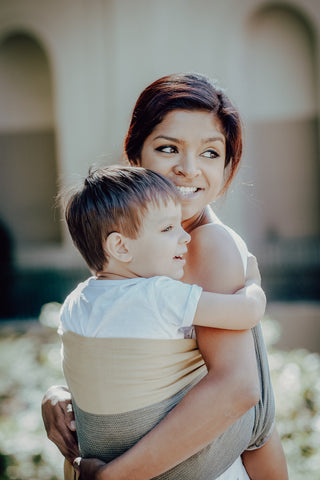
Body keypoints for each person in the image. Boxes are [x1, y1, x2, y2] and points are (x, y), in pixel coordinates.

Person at [42, 73, 288, 480]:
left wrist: (112, 476)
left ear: (227, 166)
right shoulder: (138, 244)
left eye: (211, 153)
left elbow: (237, 388)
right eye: (169, 148)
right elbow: (135, 359)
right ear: (135, 156)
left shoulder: (208, 245)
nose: (188, 170)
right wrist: (61, 397)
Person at [59, 165, 265, 480]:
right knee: (261, 414)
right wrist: (252, 281)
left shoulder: (74, 303)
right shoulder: (158, 294)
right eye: (168, 228)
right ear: (121, 247)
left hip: (98, 455)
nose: (186, 237)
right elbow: (246, 312)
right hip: (176, 467)